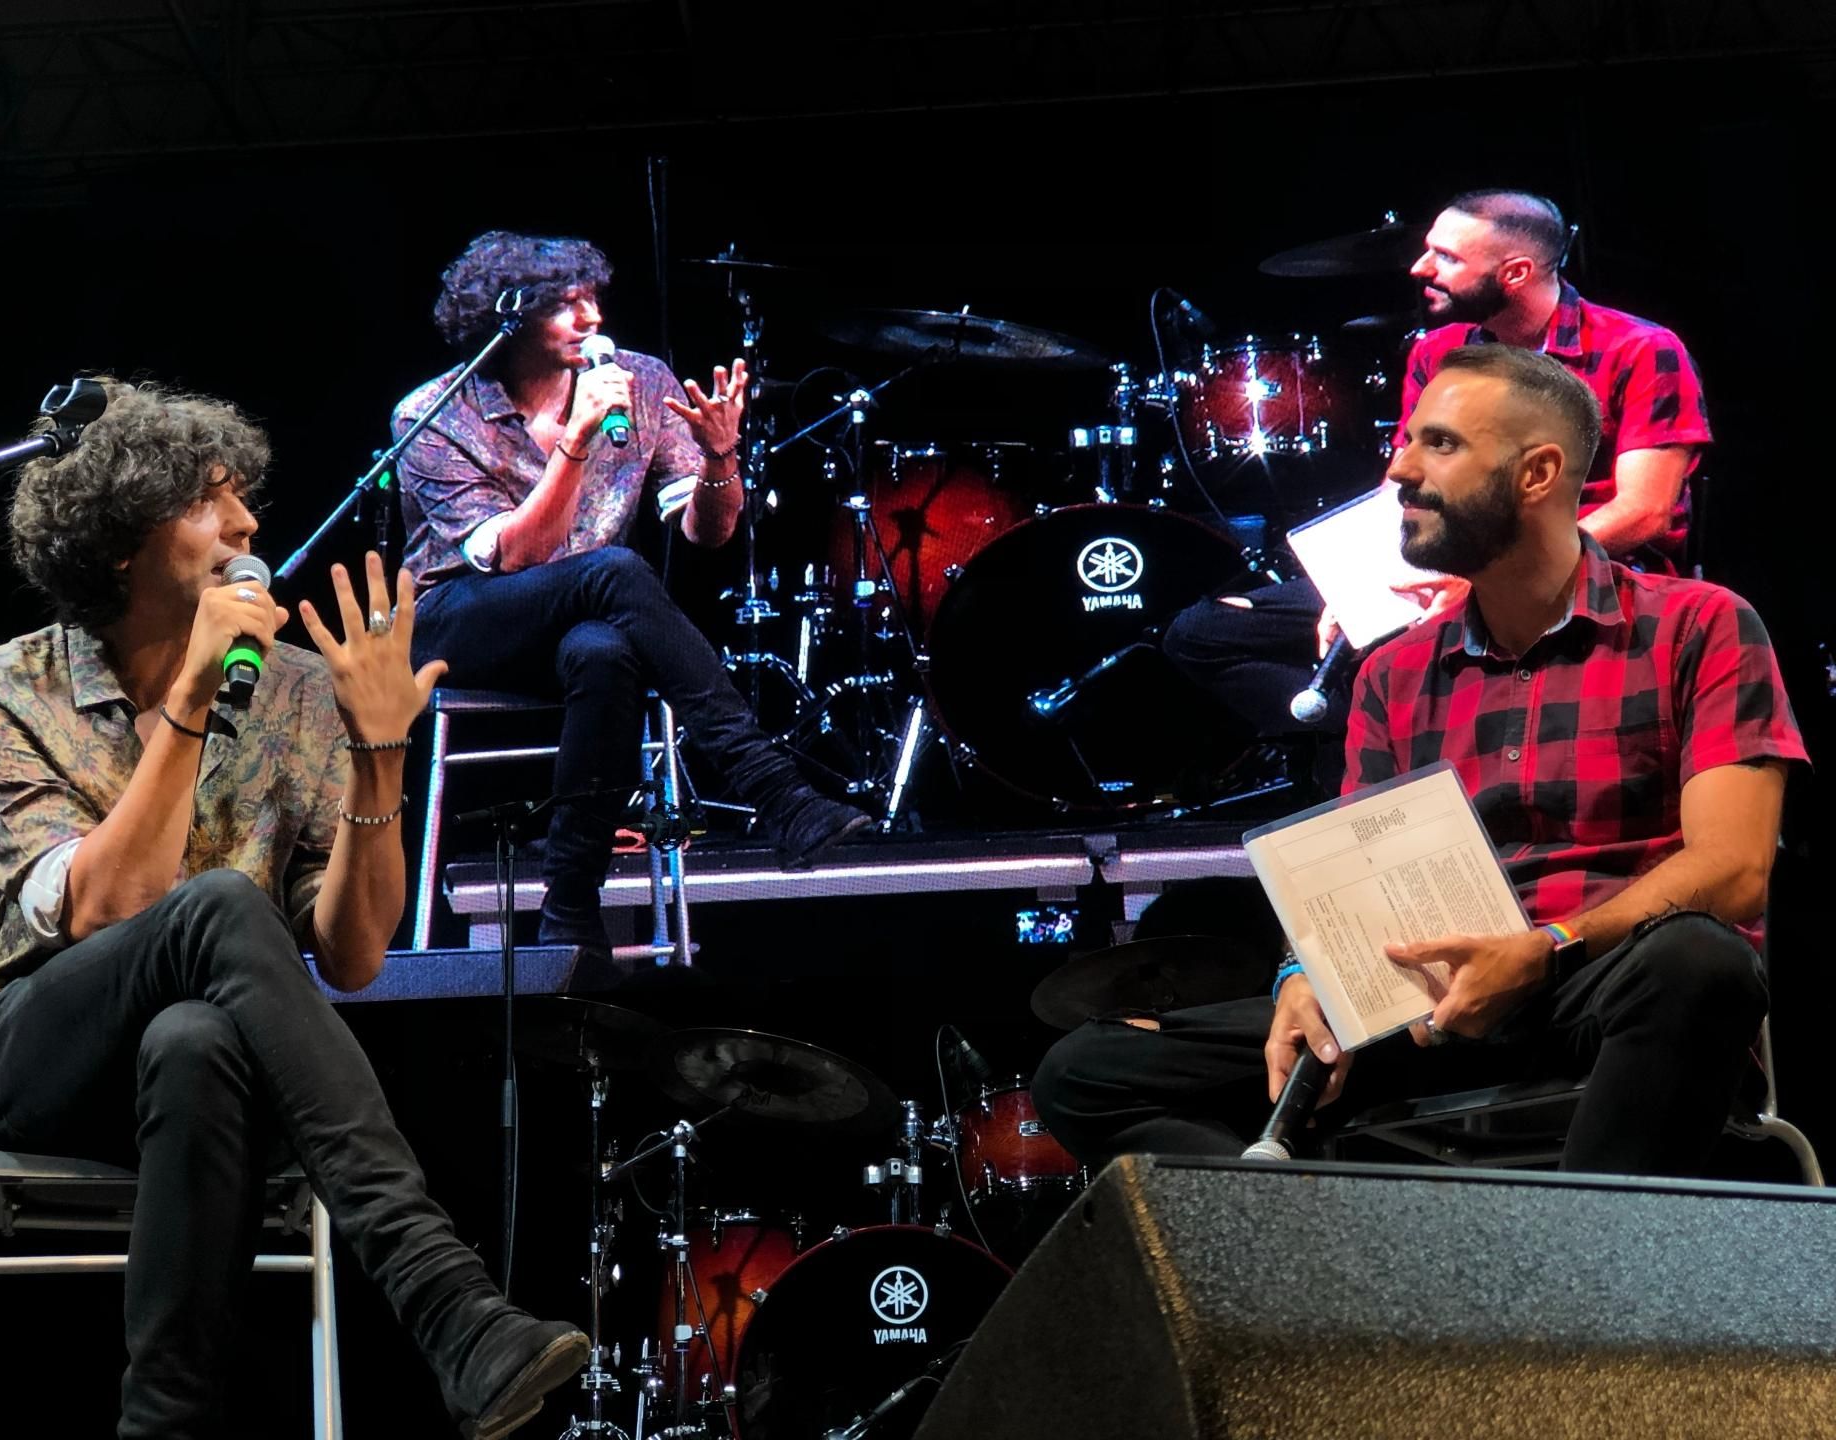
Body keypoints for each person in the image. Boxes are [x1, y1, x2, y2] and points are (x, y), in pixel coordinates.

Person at [0, 379, 587, 1439]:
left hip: (216, 1080)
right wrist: (194, 701)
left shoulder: (298, 691)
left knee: (195, 1038)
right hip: (41, 1065)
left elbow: (354, 955)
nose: (246, 524)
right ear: (119, 542)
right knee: (218, 905)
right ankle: (440, 1291)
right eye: (207, 500)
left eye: (243, 496)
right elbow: (105, 908)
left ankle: (164, 1424)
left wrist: (380, 754)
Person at [1035, 344, 1806, 1177]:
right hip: (1431, 1008)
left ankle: (1584, 1250)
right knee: (1088, 1072)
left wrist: (1547, 947)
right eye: (1407, 441)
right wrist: (1303, 974)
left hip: (1599, 988)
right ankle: (1326, 1238)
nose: (1400, 470)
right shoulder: (1393, 673)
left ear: (1538, 473)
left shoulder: (1699, 625)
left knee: (1702, 962)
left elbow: (1734, 873)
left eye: (1439, 444)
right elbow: (1352, 886)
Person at [395, 230, 868, 956]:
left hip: (584, 616)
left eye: (592, 298)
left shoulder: (640, 382)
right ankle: (774, 788)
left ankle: (570, 909)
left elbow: (707, 531)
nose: (591, 318)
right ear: (507, 317)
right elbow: (517, 556)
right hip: (460, 621)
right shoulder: (435, 414)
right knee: (612, 571)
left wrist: (720, 455)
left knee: (605, 651)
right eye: (565, 304)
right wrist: (577, 440)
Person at [1163, 189, 1713, 753]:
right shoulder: (1439, 352)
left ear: (1515, 273)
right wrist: (1359, 588)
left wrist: (1489, 577)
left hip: (1582, 573)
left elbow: (1643, 511)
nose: (1420, 267)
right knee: (1203, 634)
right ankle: (1385, 746)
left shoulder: (1640, 349)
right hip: (1452, 563)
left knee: (1413, 655)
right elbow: (1406, 487)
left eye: (1446, 257)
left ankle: (1407, 750)